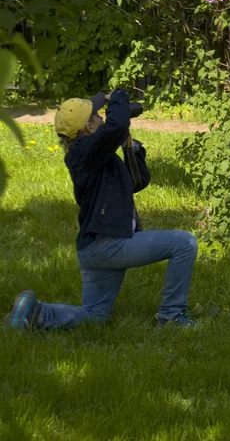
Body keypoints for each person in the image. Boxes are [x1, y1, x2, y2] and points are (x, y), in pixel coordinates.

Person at [5, 88, 198, 330]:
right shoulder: (86, 153)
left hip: (94, 248)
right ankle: (172, 317)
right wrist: (118, 96)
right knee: (184, 244)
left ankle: (34, 312)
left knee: (95, 316)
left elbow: (134, 183)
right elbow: (115, 127)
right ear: (88, 127)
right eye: (97, 115)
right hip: (109, 245)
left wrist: (133, 148)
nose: (102, 117)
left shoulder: (91, 155)